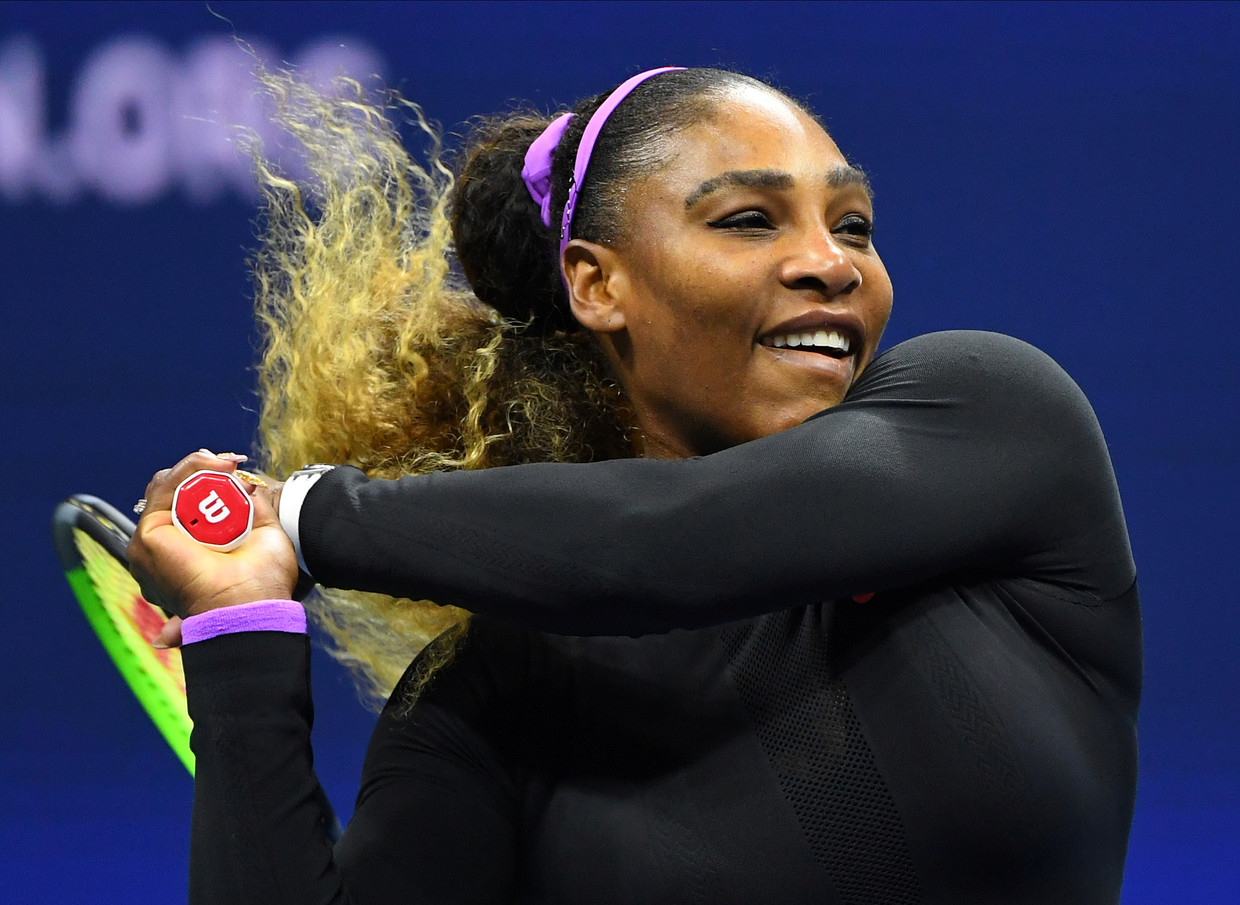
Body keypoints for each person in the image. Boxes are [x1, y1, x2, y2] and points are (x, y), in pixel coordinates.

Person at [129, 66, 1141, 905]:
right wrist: (240, 632)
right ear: (596, 282)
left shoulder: (992, 419)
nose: (831, 263)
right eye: (751, 219)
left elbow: (664, 545)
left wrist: (305, 513)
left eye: (855, 225)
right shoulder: (498, 693)